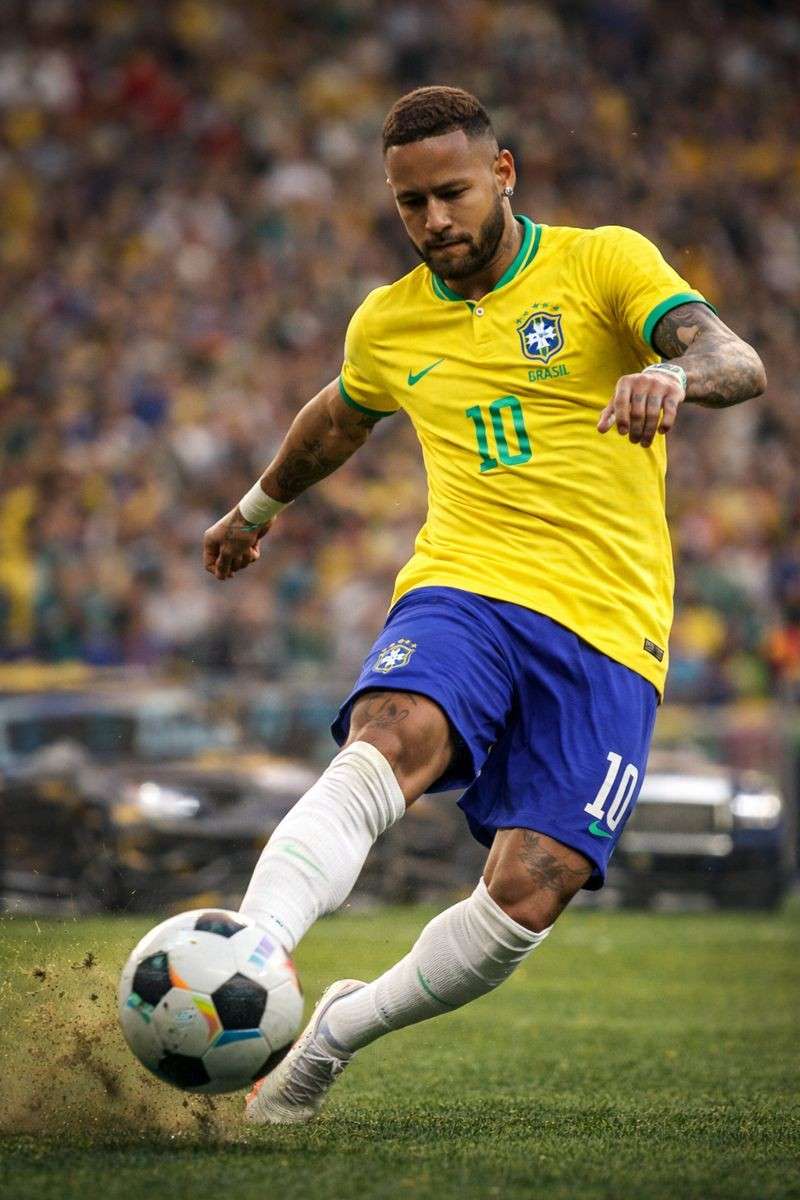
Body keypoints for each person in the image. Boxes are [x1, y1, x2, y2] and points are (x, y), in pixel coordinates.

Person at [202, 86, 765, 1125]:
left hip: (608, 628)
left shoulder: (600, 263)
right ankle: (247, 954)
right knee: (392, 731)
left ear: (501, 174)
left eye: (451, 194)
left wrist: (675, 379)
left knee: (531, 887)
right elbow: (336, 417)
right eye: (409, 205)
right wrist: (254, 508)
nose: (433, 224)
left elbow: (736, 357)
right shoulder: (389, 318)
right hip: (468, 586)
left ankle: (333, 1031)